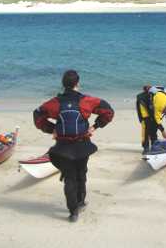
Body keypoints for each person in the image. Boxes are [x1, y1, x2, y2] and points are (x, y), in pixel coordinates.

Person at [33, 70, 114, 222]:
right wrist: (96, 126)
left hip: (62, 147)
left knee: (69, 177)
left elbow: (37, 115)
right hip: (82, 145)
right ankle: (81, 202)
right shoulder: (87, 101)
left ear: (63, 84)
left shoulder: (55, 103)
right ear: (78, 83)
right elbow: (108, 111)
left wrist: (52, 129)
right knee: (81, 173)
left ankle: (73, 212)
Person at [136, 85, 166, 154]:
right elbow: (157, 118)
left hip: (153, 106)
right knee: (147, 124)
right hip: (143, 102)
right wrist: (163, 131)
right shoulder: (162, 101)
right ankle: (146, 147)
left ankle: (154, 144)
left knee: (154, 125)